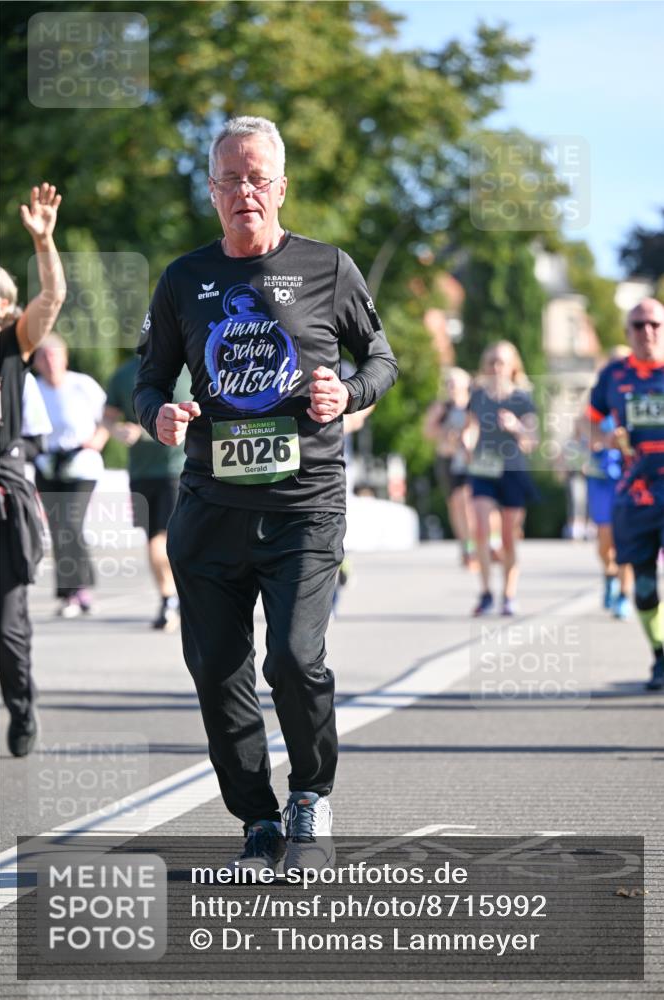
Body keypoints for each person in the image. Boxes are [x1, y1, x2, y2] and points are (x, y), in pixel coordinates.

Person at [133, 116, 398, 875]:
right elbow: (148, 377)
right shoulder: (184, 279)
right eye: (229, 179)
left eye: (257, 177)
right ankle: (255, 817)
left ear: (280, 186)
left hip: (304, 504)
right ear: (211, 191)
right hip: (210, 507)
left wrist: (344, 393)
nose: (244, 191)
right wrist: (158, 410)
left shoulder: (327, 267)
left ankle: (310, 796)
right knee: (219, 672)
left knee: (293, 658)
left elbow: (380, 359)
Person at [0, 184, 66, 756]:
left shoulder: (11, 345)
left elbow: (53, 298)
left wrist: (44, 242)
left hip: (3, 499)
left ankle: (21, 707)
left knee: (6, 629)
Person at [587, 298, 664, 690]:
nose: (647, 332)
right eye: (638, 325)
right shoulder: (613, 377)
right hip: (636, 494)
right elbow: (590, 425)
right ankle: (660, 656)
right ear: (628, 332)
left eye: (654, 324)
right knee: (645, 586)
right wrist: (606, 438)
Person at [103, 357, 193, 631]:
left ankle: (174, 599)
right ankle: (169, 599)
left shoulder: (190, 369)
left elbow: (203, 415)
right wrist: (117, 430)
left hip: (178, 468)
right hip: (140, 473)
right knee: (154, 540)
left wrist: (143, 431)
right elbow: (107, 417)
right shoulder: (123, 375)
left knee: (163, 539)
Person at [34, 334, 108, 617]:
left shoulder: (82, 385)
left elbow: (107, 418)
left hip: (81, 464)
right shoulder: (34, 388)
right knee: (58, 528)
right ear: (37, 362)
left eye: (54, 355)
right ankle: (68, 593)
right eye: (44, 356)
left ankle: (81, 588)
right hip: (48, 465)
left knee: (71, 523)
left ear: (64, 357)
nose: (50, 362)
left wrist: (98, 440)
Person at [464, 340, 539, 616]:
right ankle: (485, 592)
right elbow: (470, 427)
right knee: (481, 529)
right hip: (484, 467)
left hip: (513, 470)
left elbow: (532, 441)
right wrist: (466, 441)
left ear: (512, 367)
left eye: (502, 362)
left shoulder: (522, 398)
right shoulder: (478, 395)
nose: (496, 367)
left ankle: (508, 594)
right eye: (492, 362)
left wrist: (516, 427)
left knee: (508, 537)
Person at [424, 366, 477, 568]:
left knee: (469, 502)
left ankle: (477, 544)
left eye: (454, 383)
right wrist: (444, 432)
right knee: (455, 504)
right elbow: (428, 432)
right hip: (448, 460)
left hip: (469, 460)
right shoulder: (442, 408)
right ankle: (465, 547)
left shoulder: (473, 406)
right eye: (448, 383)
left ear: (465, 384)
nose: (450, 387)